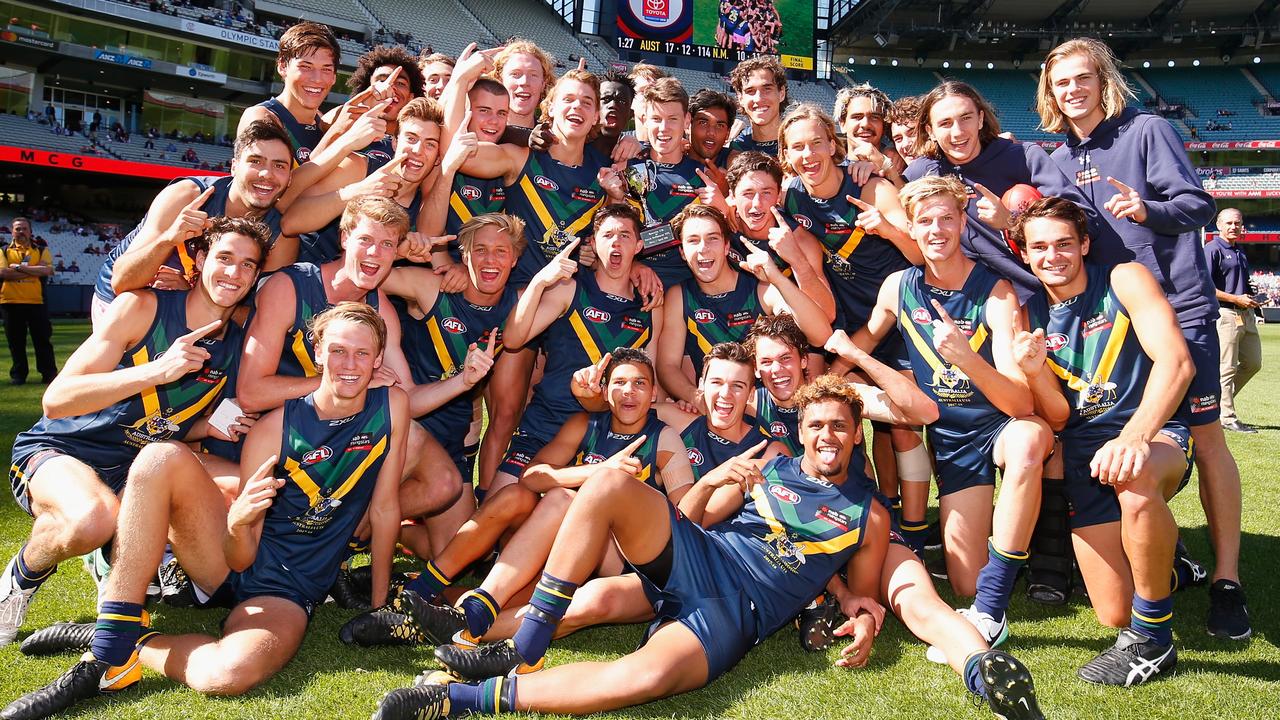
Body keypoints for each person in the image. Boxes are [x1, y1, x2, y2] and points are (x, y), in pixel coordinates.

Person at [370, 374, 1042, 720]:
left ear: (854, 433)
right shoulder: (771, 465)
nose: (828, 436)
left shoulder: (865, 514)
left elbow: (856, 588)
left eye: (840, 426)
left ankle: (456, 702)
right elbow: (688, 516)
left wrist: (859, 616)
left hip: (736, 612)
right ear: (800, 430)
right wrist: (719, 479)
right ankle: (515, 639)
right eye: (816, 425)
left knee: (643, 679)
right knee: (608, 484)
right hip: (701, 555)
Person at [1, 303, 409, 719]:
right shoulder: (272, 429)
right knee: (159, 457)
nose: (350, 364)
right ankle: (110, 650)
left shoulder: (391, 407)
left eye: (363, 353)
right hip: (232, 561)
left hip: (286, 589)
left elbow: (384, 505)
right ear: (317, 351)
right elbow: (240, 555)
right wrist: (239, 519)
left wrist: (379, 608)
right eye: (338, 350)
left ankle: (128, 640)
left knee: (228, 674)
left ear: (379, 359)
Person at [1039, 37, 1251, 639]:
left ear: (1104, 80)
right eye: (1060, 83)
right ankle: (1171, 553)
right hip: (1116, 323)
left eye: (1082, 78)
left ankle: (1226, 581)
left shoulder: (1148, 129)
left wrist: (1148, 211)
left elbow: (1196, 204)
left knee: (1206, 441)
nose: (1072, 90)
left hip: (1176, 313)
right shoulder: (1065, 154)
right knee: (1130, 446)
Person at [0, 218, 268, 649]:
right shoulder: (143, 308)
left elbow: (159, 422)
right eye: (224, 258)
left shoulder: (236, 343)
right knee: (92, 517)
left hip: (132, 470)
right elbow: (57, 399)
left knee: (242, 493)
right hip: (62, 450)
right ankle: (20, 579)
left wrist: (207, 425)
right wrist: (154, 371)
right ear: (199, 260)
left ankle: (126, 562)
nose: (234, 273)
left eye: (247, 265)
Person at [856, 175, 1052, 654]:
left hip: (1000, 426)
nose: (937, 229)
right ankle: (1017, 544)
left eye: (947, 218)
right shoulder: (898, 286)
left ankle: (991, 609)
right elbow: (862, 341)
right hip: (952, 442)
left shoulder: (996, 291)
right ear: (912, 228)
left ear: (963, 223)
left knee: (1029, 440)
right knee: (962, 579)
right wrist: (820, 376)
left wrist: (967, 358)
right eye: (925, 221)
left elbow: (1020, 403)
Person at [1013, 197, 1196, 684]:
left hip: (1153, 435)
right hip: (1085, 457)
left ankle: (1153, 643)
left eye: (1064, 244)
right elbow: (1056, 414)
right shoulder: (1028, 314)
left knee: (1134, 480)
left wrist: (1136, 435)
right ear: (1024, 254)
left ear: (1085, 244)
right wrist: (1033, 374)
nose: (1053, 256)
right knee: (1113, 612)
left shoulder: (1123, 278)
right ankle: (1170, 564)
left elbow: (1177, 362)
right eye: (1040, 247)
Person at [490, 204, 661, 493]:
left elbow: (650, 377)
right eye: (607, 236)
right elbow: (513, 339)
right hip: (548, 421)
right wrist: (541, 280)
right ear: (593, 243)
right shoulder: (569, 288)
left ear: (639, 246)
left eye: (625, 235)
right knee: (501, 502)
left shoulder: (649, 306)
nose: (616, 242)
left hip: (604, 431)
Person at [94, 121, 295, 325]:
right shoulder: (186, 196)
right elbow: (121, 282)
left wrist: (195, 295)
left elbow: (265, 320)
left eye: (279, 165)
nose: (266, 174)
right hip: (124, 301)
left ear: (289, 179)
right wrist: (167, 240)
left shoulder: (282, 234)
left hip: (201, 312)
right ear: (234, 166)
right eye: (256, 161)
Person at [656, 204, 827, 404]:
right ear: (683, 252)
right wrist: (696, 398)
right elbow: (667, 366)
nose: (703, 248)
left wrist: (778, 280)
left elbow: (821, 335)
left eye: (713, 238)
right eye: (693, 241)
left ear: (727, 246)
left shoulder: (760, 288)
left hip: (767, 408)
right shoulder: (679, 296)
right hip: (718, 408)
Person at [1205, 208, 1261, 434]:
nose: (1233, 227)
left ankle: (1216, 403)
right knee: (1226, 368)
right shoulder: (1212, 249)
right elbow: (1205, 287)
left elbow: (1239, 282)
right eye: (1228, 223)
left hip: (1245, 314)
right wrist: (1235, 297)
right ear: (1218, 225)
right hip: (1226, 314)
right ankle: (1227, 416)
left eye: (1237, 223)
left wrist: (1251, 296)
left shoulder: (1239, 251)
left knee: (1253, 363)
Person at [0, 217, 56, 385]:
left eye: (24, 228)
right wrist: (34, 270)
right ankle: (19, 375)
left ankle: (48, 374)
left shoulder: (40, 249)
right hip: (10, 302)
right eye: (18, 229)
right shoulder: (3, 251)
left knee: (43, 341)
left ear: (30, 231)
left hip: (36, 302)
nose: (21, 232)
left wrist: (18, 267)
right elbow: (3, 273)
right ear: (12, 231)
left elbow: (48, 270)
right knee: (16, 342)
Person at [728, 56, 787, 156]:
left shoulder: (799, 141)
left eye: (767, 89)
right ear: (740, 98)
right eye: (750, 91)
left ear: (781, 94)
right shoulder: (736, 147)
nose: (758, 99)